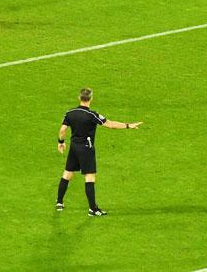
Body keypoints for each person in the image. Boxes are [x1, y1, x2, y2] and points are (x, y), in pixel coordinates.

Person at [56, 88, 143, 216]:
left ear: (79, 98)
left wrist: (61, 142)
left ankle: (59, 202)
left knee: (67, 173)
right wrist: (128, 125)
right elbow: (110, 124)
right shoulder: (92, 115)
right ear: (91, 98)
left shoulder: (70, 113)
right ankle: (92, 209)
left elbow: (63, 130)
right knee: (89, 177)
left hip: (74, 147)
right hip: (86, 148)